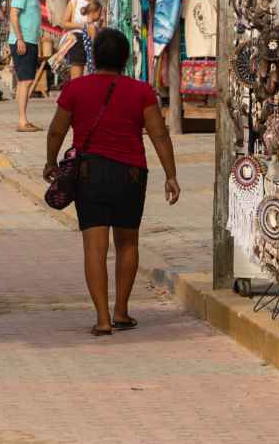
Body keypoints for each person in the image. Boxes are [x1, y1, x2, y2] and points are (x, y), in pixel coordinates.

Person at [43, 28, 180, 336]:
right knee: (128, 242)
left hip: (89, 173)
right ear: (126, 58)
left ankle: (103, 318)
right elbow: (159, 134)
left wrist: (51, 162)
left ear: (94, 57)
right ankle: (122, 311)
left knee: (95, 247)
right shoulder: (141, 91)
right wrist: (171, 175)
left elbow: (56, 131)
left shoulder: (75, 89)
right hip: (130, 174)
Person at [9, 0, 50, 132]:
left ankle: (24, 119)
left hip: (30, 41)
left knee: (27, 80)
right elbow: (13, 15)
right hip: (22, 42)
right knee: (25, 81)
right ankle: (22, 120)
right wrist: (20, 39)